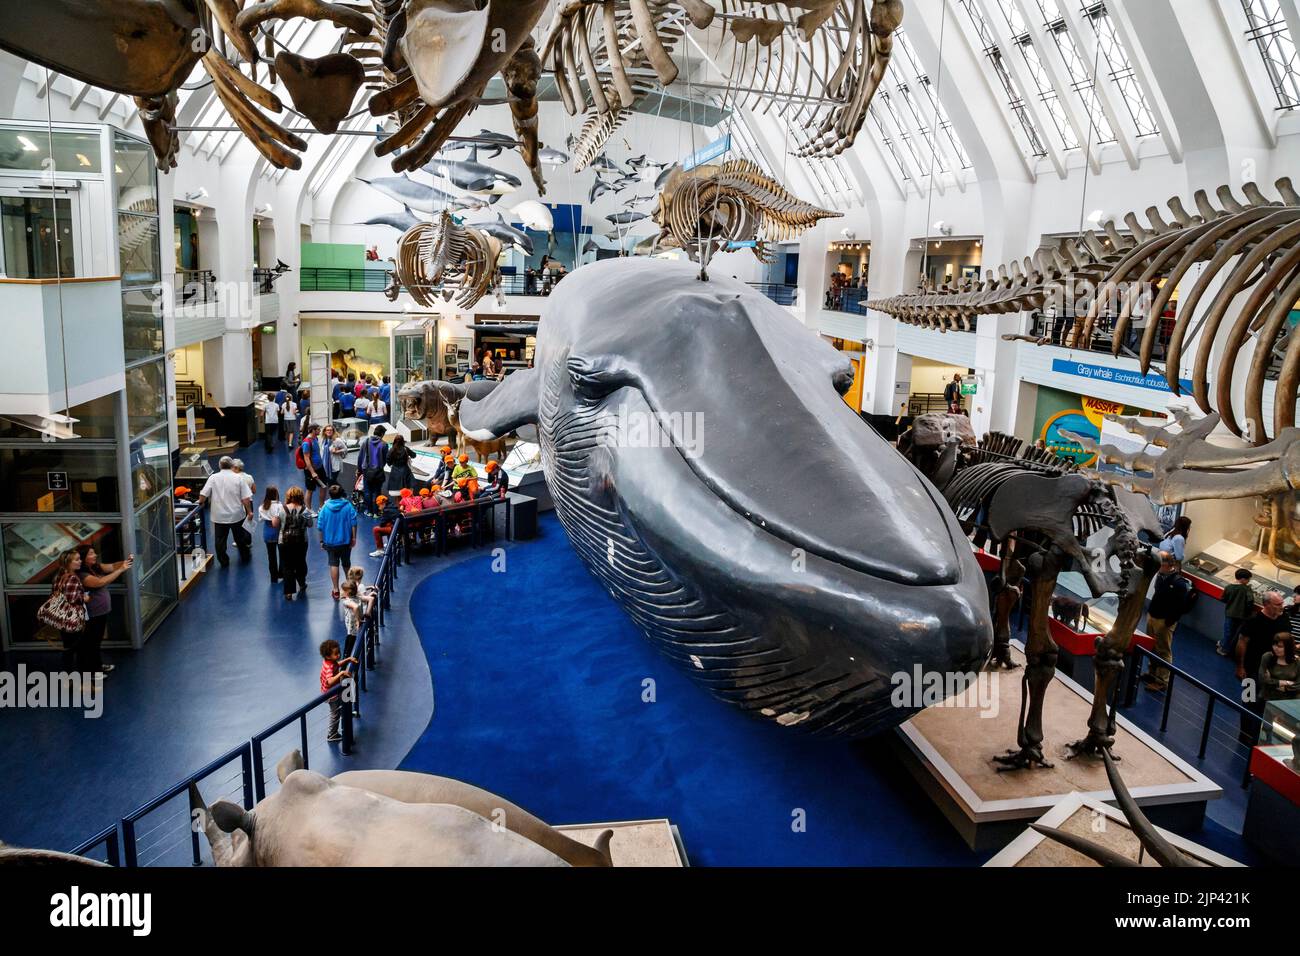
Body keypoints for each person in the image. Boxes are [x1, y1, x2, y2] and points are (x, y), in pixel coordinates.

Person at [1236, 590, 1287, 742]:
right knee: (1249, 701)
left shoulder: (1284, 618)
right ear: (1267, 605)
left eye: (1282, 604)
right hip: (1252, 670)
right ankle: (1245, 733)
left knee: (1269, 705)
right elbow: (1242, 642)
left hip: (1275, 672)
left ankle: (1263, 734)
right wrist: (1240, 666)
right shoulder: (1254, 620)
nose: (1281, 607)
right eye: (1277, 604)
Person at [74, 546, 131, 675]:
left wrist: (124, 563)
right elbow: (99, 582)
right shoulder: (82, 574)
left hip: (100, 612)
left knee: (96, 641)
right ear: (84, 558)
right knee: (89, 642)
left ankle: (96, 665)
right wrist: (121, 570)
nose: (95, 555)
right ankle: (89, 671)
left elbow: (111, 566)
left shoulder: (95, 567)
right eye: (91, 554)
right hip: (91, 613)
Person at [1141, 553, 1194, 691]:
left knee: (1163, 650)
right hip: (1153, 616)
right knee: (1152, 647)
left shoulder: (1179, 584)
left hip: (1164, 621)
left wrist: (1169, 621)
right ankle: (1152, 673)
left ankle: (1161, 681)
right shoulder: (1160, 576)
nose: (1158, 566)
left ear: (1169, 565)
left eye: (1161, 564)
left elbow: (1181, 606)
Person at [199, 456, 253, 566]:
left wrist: (200, 502)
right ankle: (245, 557)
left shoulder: (213, 478)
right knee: (240, 538)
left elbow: (203, 495)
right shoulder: (238, 478)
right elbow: (246, 498)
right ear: (232, 465)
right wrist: (249, 512)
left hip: (219, 516)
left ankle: (224, 561)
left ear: (220, 466)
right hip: (236, 515)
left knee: (220, 541)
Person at [46, 550, 91, 671]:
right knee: (81, 650)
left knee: (69, 649)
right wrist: (85, 598)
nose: (80, 561)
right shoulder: (72, 578)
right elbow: (72, 598)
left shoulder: (58, 576)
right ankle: (83, 680)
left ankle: (69, 679)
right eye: (76, 559)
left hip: (63, 618)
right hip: (73, 619)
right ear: (68, 563)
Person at [317, 484, 358, 600]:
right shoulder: (348, 506)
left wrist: (321, 540)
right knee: (346, 563)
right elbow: (353, 523)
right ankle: (350, 587)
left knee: (333, 564)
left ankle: (336, 590)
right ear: (341, 494)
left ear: (330, 494)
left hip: (330, 542)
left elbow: (320, 526)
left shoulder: (325, 508)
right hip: (345, 541)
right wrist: (354, 538)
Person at [319, 639, 357, 743]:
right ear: (328, 656)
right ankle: (332, 735)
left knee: (341, 704)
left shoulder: (330, 661)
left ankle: (346, 713)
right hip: (331, 695)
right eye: (336, 654)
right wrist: (341, 674)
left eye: (338, 652)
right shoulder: (329, 666)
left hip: (335, 692)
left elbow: (337, 664)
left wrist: (348, 659)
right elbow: (330, 681)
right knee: (334, 713)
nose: (339, 655)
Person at [279, 486, 311, 600]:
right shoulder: (305, 510)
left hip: (284, 541)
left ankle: (289, 592)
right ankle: (302, 583)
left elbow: (277, 524)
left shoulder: (282, 509)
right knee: (301, 562)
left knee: (287, 565)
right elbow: (310, 524)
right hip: (301, 541)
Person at [1220, 568, 1255, 657]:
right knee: (1234, 633)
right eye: (1248, 579)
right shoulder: (1247, 590)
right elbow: (1250, 602)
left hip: (1230, 613)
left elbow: (1223, 598)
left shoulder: (1229, 587)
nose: (1248, 581)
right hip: (1242, 616)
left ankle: (1224, 647)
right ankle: (1225, 648)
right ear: (1243, 579)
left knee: (1227, 631)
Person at [358, 425, 389, 517]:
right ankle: (376, 512)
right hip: (378, 471)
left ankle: (369, 511)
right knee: (376, 491)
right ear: (382, 434)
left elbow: (360, 456)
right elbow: (385, 459)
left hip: (366, 470)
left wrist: (359, 469)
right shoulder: (384, 444)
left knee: (367, 491)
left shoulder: (366, 441)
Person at [1259, 633, 1300, 702]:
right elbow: (1262, 680)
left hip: (1289, 701)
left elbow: (1298, 685)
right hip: (1268, 698)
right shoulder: (1267, 657)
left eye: (1280, 646)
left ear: (1288, 647)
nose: (1275, 648)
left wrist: (1276, 684)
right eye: (1274, 645)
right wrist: (1285, 682)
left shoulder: (1297, 662)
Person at [258, 485, 285, 584]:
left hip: (268, 533)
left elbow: (260, 519)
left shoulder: (262, 507)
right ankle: (281, 573)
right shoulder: (280, 505)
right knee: (282, 554)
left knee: (271, 556)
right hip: (279, 532)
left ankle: (273, 577)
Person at [298, 424, 325, 510]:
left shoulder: (315, 438)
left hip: (320, 467)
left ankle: (321, 507)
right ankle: (309, 509)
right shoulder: (306, 442)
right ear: (313, 430)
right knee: (310, 489)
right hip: (311, 470)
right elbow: (306, 459)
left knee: (323, 486)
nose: (320, 431)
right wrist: (312, 472)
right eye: (318, 429)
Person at [340, 580, 363, 659]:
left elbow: (355, 607)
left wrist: (357, 620)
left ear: (348, 592)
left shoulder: (346, 602)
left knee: (349, 647)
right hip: (354, 629)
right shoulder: (357, 597)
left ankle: (344, 664)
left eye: (342, 590)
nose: (341, 591)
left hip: (352, 630)